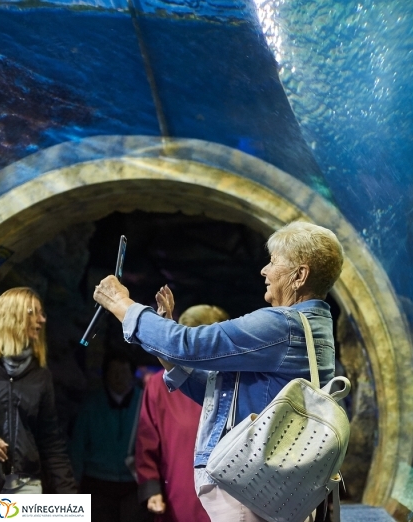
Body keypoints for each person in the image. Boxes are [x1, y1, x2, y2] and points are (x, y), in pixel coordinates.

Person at [93, 221, 343, 522]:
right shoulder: (311, 329)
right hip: (260, 492)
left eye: (274, 262)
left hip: (249, 491)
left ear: (300, 275)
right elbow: (216, 394)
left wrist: (122, 305)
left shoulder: (284, 327)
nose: (264, 271)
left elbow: (190, 344)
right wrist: (167, 346)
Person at [136, 305, 229, 522]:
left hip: (229, 500)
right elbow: (147, 441)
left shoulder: (233, 379)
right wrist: (151, 489)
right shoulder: (160, 385)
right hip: (179, 497)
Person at [0, 287, 76, 494]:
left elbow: (50, 441)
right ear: (13, 317)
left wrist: (70, 497)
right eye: (33, 313)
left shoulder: (41, 376)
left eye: (42, 313)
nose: (42, 320)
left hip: (24, 485)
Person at [70, 349, 150, 522]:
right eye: (114, 372)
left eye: (123, 372)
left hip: (134, 485)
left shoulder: (146, 403)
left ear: (132, 374)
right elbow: (78, 445)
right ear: (105, 375)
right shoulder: (91, 404)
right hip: (97, 482)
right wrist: (73, 483)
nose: (119, 377)